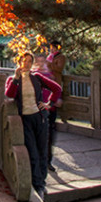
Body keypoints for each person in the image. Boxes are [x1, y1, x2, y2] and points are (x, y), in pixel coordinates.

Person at [5, 51, 61, 201]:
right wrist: (16, 78)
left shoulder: (36, 77)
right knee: (33, 153)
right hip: (25, 119)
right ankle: (36, 184)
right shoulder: (13, 79)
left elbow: (57, 89)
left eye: (30, 61)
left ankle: (41, 183)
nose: (27, 64)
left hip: (40, 117)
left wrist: (49, 103)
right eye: (24, 61)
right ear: (19, 62)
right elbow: (9, 94)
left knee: (43, 151)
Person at [45, 40, 66, 172]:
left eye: (53, 47)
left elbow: (58, 68)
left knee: (50, 128)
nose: (51, 49)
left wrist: (48, 64)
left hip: (55, 88)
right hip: (45, 93)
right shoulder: (48, 59)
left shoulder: (60, 57)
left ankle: (48, 160)